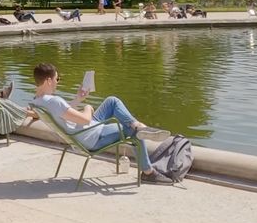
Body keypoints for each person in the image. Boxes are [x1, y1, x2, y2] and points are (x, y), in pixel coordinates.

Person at [29, 63, 172, 183]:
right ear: (48, 81)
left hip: (83, 133)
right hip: (91, 137)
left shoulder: (37, 101)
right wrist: (87, 108)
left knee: (112, 101)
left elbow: (63, 114)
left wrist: (79, 98)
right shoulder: (54, 101)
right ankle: (148, 172)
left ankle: (137, 125)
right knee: (133, 132)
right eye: (57, 79)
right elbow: (84, 119)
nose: (57, 82)